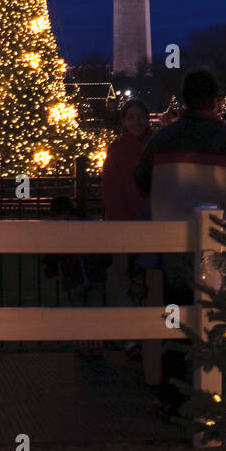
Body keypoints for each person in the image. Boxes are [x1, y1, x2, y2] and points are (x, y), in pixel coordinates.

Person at [134, 69, 226, 419]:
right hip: (224, 247)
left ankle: (172, 396)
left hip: (174, 246)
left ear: (185, 99)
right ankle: (216, 395)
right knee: (219, 322)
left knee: (175, 322)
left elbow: (141, 179)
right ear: (215, 99)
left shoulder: (163, 139)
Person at [101, 98, 153, 358]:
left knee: (150, 281)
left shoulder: (155, 147)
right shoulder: (117, 148)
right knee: (123, 279)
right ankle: (130, 338)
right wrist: (117, 223)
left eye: (140, 116)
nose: (137, 121)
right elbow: (112, 189)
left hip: (151, 225)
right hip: (124, 224)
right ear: (124, 122)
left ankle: (150, 333)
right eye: (131, 117)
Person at [42, 194, 112, 356]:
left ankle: (82, 345)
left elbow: (53, 254)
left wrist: (51, 269)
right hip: (95, 273)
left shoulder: (60, 229)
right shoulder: (89, 224)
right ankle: (95, 345)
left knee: (78, 311)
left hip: (73, 276)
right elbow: (104, 250)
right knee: (95, 312)